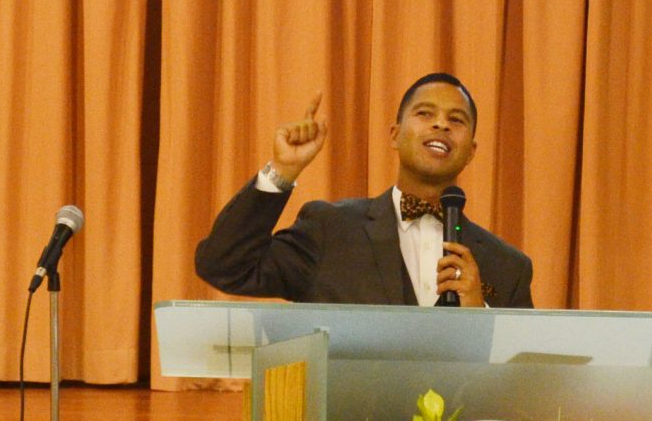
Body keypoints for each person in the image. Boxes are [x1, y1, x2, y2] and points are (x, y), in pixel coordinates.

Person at [195, 73, 534, 308]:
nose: (441, 124)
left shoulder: (508, 266)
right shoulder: (329, 230)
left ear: (472, 151)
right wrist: (283, 171)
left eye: (456, 120)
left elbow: (523, 377)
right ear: (394, 135)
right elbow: (225, 267)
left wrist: (482, 316)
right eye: (425, 113)